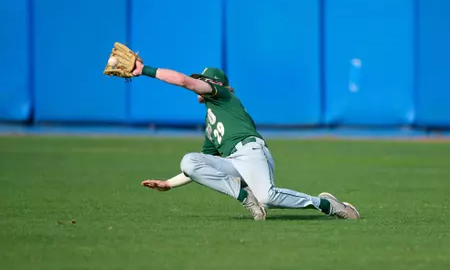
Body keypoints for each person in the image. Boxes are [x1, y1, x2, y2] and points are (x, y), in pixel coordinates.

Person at [134, 61, 360, 221]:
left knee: (268, 197)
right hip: (234, 161)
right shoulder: (211, 124)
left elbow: (184, 81)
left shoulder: (223, 96)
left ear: (216, 84)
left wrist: (144, 70)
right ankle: (245, 196)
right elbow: (205, 165)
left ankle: (328, 205)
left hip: (251, 152)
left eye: (203, 80)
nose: (198, 84)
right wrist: (169, 184)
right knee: (189, 161)